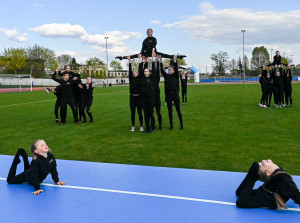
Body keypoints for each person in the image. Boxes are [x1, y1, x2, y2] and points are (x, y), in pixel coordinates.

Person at [235, 160, 300, 209]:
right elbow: (239, 199)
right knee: (240, 194)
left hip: (269, 196)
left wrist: (252, 177)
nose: (263, 160)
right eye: (262, 165)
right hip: (268, 194)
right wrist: (251, 176)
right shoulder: (281, 178)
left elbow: (295, 195)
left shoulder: (283, 180)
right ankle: (254, 177)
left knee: (242, 196)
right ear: (269, 172)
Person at [116, 28, 186, 60]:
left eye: (150, 31)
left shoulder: (154, 39)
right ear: (146, 33)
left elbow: (154, 46)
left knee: (165, 55)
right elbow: (143, 48)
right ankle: (122, 57)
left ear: (152, 32)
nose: (148, 32)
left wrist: (153, 53)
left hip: (153, 52)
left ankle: (178, 56)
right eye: (147, 32)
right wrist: (141, 54)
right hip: (146, 53)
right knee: (136, 55)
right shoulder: (145, 40)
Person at [160, 55, 183, 130]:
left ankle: (181, 125)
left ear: (173, 70)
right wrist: (160, 61)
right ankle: (171, 125)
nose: (169, 71)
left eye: (170, 70)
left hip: (175, 95)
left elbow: (176, 68)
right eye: (168, 70)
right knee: (170, 111)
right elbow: (162, 70)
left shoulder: (176, 76)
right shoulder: (166, 76)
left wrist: (175, 60)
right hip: (169, 96)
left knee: (178, 110)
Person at [139, 54, 156, 133]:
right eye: (145, 71)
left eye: (147, 71)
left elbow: (153, 68)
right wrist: (141, 60)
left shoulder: (152, 78)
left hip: (151, 98)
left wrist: (152, 59)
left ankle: (152, 127)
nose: (145, 72)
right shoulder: (142, 78)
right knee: (145, 114)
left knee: (151, 113)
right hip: (143, 99)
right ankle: (147, 127)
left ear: (149, 73)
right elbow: (140, 69)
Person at [127, 55, 144, 132]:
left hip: (139, 97)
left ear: (138, 74)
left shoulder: (139, 78)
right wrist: (130, 61)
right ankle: (133, 126)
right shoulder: (131, 79)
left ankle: (141, 126)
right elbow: (129, 71)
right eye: (134, 72)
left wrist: (140, 59)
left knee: (140, 112)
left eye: (136, 72)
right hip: (132, 97)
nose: (135, 73)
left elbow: (140, 69)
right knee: (132, 113)